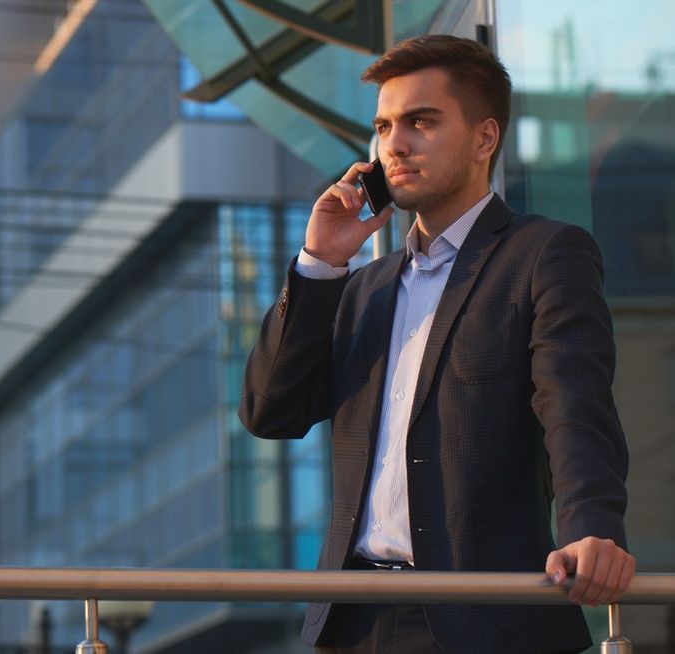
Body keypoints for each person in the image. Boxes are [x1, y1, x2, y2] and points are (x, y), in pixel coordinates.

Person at [238, 35, 634, 654]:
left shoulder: (543, 254)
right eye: (384, 126)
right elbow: (270, 412)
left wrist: (592, 529)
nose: (394, 144)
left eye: (421, 122)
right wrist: (318, 263)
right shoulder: (362, 287)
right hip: (353, 623)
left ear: (484, 139)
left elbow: (575, 404)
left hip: (485, 619)